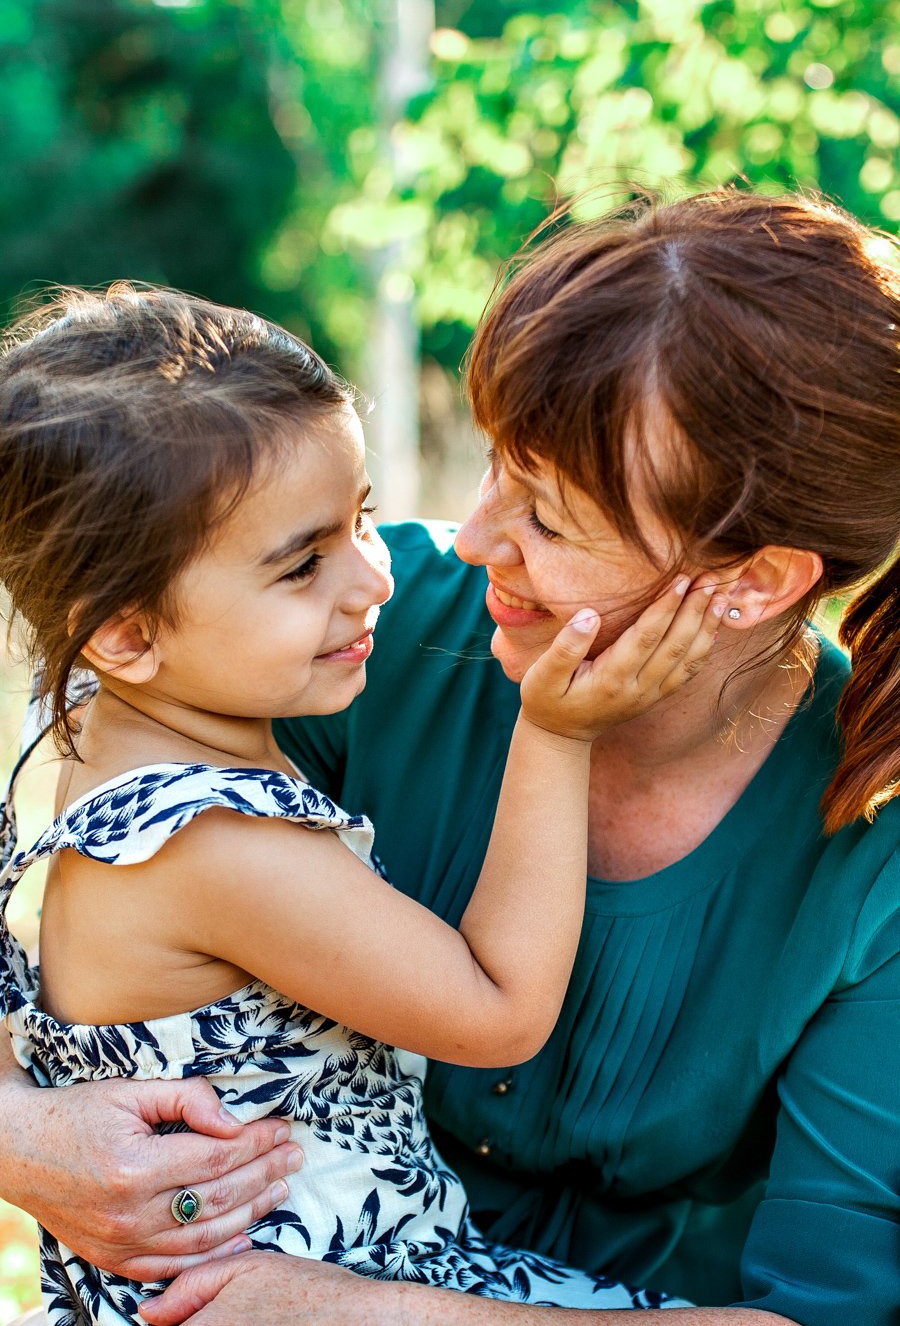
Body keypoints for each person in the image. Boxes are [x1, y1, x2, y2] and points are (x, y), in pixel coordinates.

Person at [1, 187, 899, 1326]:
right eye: (497, 466)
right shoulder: (332, 652)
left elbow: (829, 1304)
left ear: (757, 581)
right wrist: (22, 1136)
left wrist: (364, 1314)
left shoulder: (873, 848)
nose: (473, 541)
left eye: (554, 519)